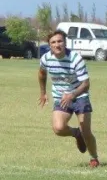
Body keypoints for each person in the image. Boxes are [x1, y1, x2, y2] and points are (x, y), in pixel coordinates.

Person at [38, 29, 99, 168]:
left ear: (65, 43)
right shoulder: (46, 59)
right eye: (53, 42)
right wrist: (43, 92)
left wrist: (72, 95)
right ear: (49, 45)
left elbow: (86, 84)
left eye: (60, 41)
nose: (57, 44)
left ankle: (94, 158)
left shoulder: (75, 58)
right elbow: (42, 74)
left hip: (80, 96)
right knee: (58, 128)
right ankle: (77, 134)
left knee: (87, 131)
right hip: (61, 97)